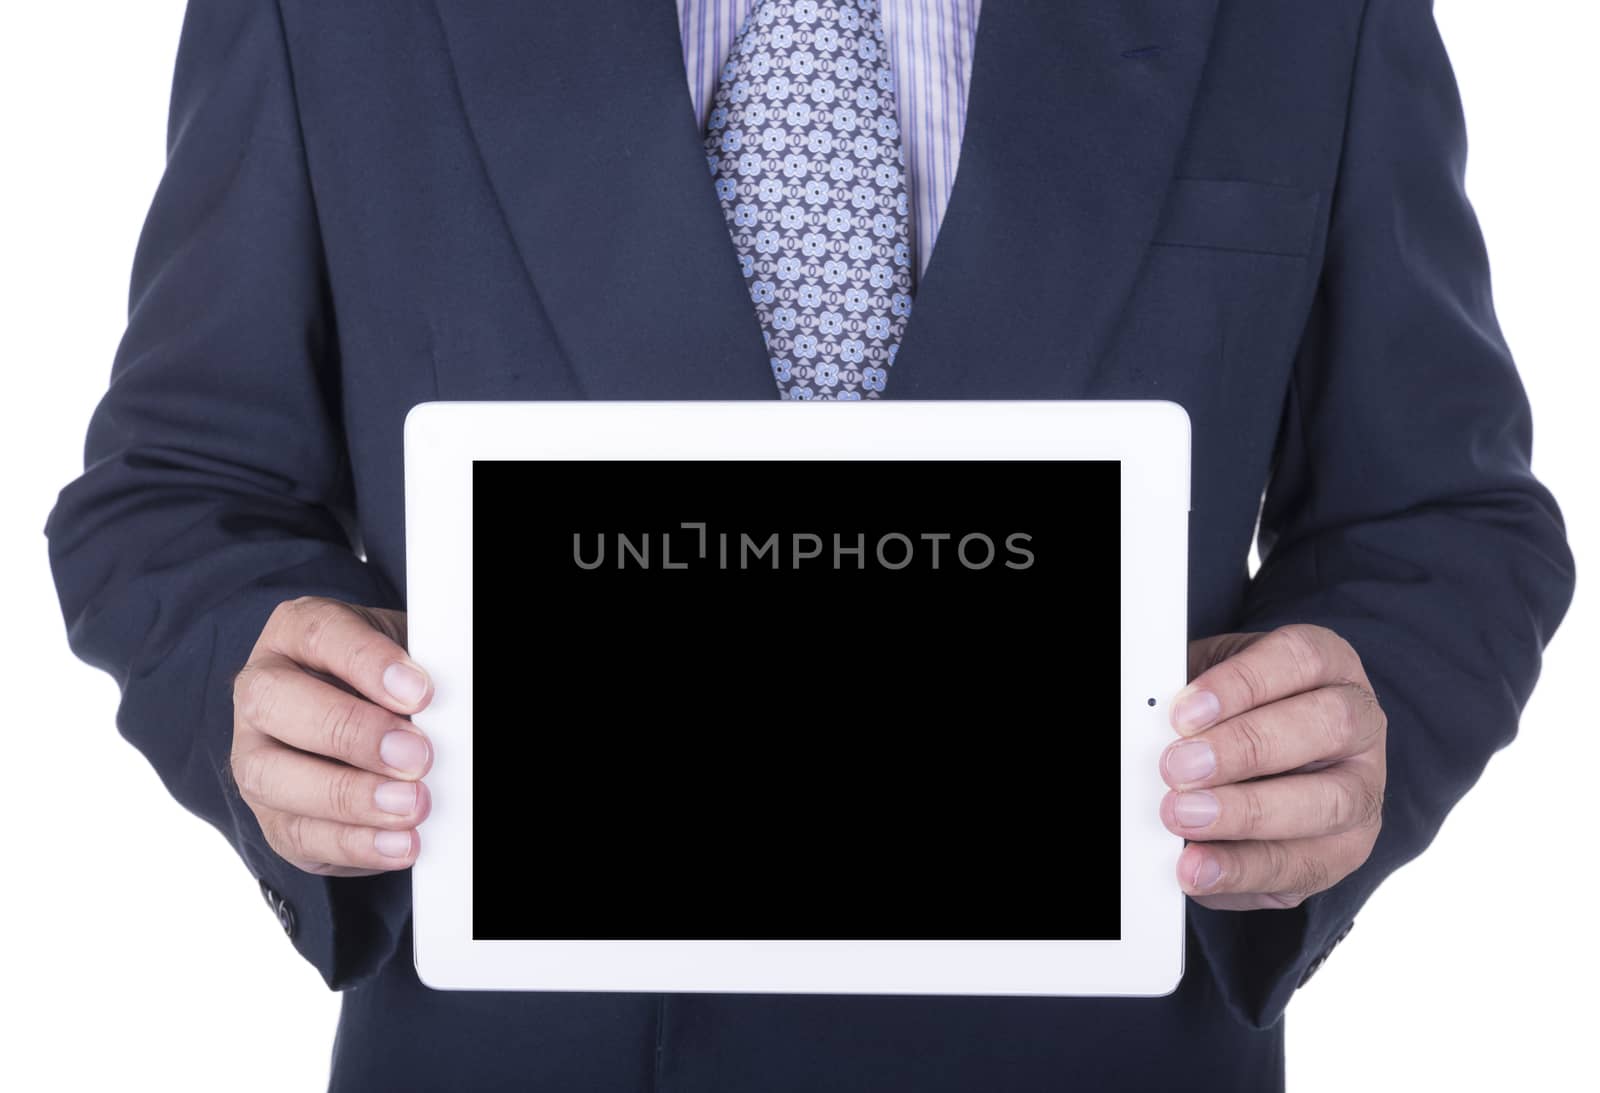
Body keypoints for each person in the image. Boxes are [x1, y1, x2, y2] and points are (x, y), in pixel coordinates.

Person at [45, 1, 1575, 1090]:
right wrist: (258, 686)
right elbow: (175, 489)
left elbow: (1442, 518)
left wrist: (1342, 717)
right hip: (524, 1051)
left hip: (1094, 1055)